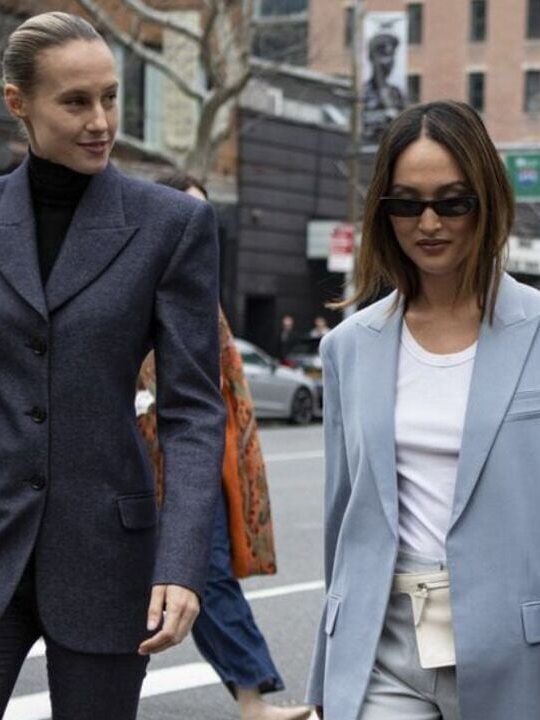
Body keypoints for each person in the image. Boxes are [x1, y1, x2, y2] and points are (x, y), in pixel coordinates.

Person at [0, 12, 225, 719]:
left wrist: (182, 568)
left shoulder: (172, 226)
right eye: (76, 101)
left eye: (111, 97)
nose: (101, 120)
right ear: (17, 101)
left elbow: (193, 413)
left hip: (107, 561)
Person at [306, 100, 540, 720]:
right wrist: (329, 673)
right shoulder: (348, 347)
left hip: (517, 655)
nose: (429, 222)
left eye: (452, 202)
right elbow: (342, 523)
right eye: (406, 203)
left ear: (486, 202)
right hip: (385, 649)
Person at [135, 173, 311, 720]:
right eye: (186, 214)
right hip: (132, 467)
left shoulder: (199, 294)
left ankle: (252, 698)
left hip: (196, 464)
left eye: (204, 218)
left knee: (205, 576)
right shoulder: (129, 284)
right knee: (135, 586)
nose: (196, 228)